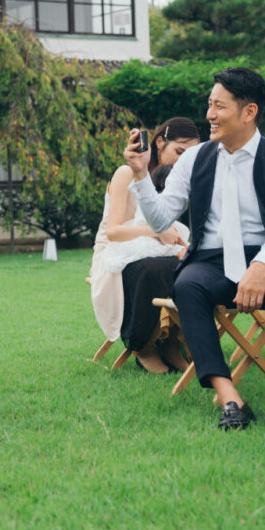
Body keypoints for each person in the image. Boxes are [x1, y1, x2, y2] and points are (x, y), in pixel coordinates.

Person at [126, 68, 265, 430]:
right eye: (209, 105)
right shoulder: (195, 159)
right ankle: (230, 398)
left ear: (249, 112)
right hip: (209, 262)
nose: (209, 114)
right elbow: (162, 219)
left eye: (218, 106)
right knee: (186, 284)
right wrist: (140, 175)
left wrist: (260, 266)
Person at [90, 117, 201, 373]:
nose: (181, 162)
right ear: (160, 143)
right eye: (179, 152)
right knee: (155, 267)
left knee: (187, 264)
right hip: (115, 255)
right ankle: (143, 345)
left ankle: (172, 343)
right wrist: (156, 232)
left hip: (157, 250)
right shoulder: (126, 173)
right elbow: (114, 232)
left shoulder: (176, 180)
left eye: (189, 157)